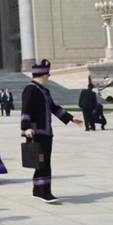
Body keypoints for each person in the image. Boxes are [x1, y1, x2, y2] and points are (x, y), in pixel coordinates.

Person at [21, 60, 83, 203]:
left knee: (44, 161)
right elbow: (25, 110)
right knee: (42, 162)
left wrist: (71, 118)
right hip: (36, 132)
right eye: (48, 75)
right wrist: (26, 127)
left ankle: (38, 190)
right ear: (44, 75)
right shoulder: (30, 89)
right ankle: (43, 192)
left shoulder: (44, 91)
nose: (49, 78)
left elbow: (53, 108)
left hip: (47, 132)